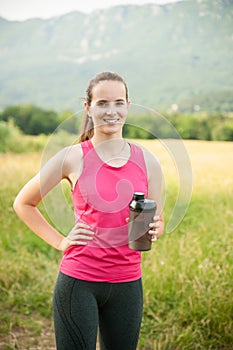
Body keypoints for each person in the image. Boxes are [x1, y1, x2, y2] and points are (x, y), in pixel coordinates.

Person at [13, 71, 164, 350]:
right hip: (78, 282)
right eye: (102, 103)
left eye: (119, 102)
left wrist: (155, 228)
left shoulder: (149, 162)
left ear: (128, 106)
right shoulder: (73, 157)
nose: (111, 111)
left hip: (128, 283)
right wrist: (60, 241)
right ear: (88, 107)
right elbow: (23, 203)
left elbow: (159, 220)